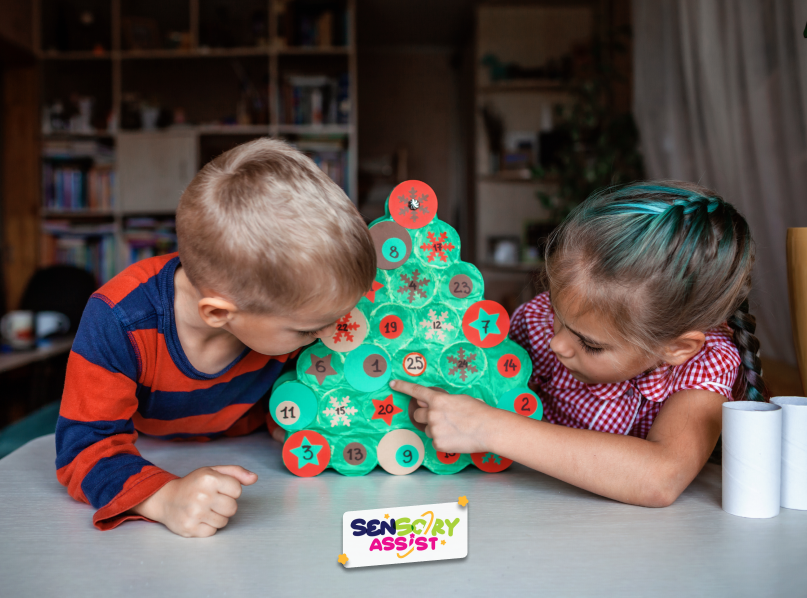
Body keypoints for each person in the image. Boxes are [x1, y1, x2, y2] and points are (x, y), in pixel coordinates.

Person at [56, 139, 375, 536]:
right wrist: (164, 497)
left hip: (261, 459)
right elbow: (83, 448)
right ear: (219, 313)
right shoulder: (119, 320)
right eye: (309, 329)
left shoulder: (280, 311)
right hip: (155, 455)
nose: (333, 335)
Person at [394, 181, 768, 507]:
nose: (557, 344)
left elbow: (661, 477)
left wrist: (489, 428)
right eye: (558, 312)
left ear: (676, 348)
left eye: (590, 345)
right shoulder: (540, 322)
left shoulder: (705, 363)